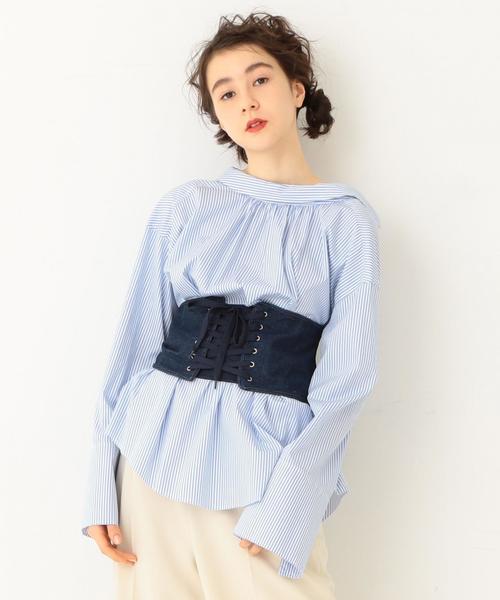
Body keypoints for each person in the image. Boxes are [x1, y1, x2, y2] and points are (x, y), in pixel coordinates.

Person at [81, 11, 381, 599]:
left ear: (297, 89)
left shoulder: (345, 221)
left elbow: (348, 379)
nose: (247, 100)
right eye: (226, 92)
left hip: (263, 476)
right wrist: (100, 486)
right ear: (217, 115)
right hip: (150, 461)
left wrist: (291, 498)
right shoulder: (185, 208)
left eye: (260, 79)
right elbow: (134, 349)